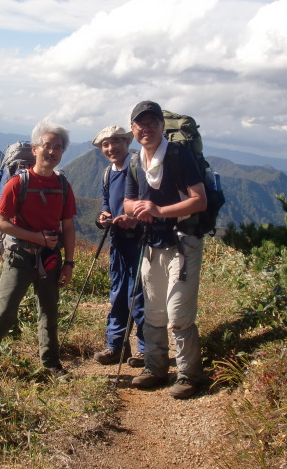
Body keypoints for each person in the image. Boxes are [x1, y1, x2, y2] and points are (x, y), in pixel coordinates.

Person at [0, 119, 77, 378]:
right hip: (19, 256)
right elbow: (1, 223)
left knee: (49, 312)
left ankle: (51, 364)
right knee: (6, 310)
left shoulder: (63, 186)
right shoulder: (17, 184)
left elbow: (68, 227)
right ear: (35, 149)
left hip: (51, 259)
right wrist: (38, 237)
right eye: (47, 145)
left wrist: (69, 263)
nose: (52, 152)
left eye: (58, 148)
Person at [123, 101, 207, 399]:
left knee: (177, 313)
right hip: (152, 243)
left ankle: (188, 374)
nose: (145, 129)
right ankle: (155, 367)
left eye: (152, 123)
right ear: (132, 128)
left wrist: (159, 210)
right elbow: (128, 202)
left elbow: (200, 200)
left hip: (183, 241)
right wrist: (139, 209)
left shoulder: (178, 155)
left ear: (162, 126)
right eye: (139, 124)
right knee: (155, 310)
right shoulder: (135, 162)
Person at [90, 126, 146, 367]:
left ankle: (145, 349)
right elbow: (106, 203)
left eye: (115, 142)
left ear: (126, 142)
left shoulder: (139, 167)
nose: (110, 148)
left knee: (140, 296)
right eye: (105, 144)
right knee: (118, 294)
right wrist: (104, 216)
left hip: (141, 242)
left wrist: (134, 219)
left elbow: (150, 203)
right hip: (118, 243)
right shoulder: (107, 174)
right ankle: (116, 346)